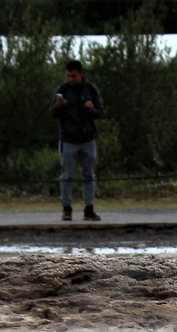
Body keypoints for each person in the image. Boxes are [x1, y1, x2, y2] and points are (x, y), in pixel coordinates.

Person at [51, 60, 103, 222]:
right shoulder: (63, 90)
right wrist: (58, 106)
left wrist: (92, 109)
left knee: (88, 174)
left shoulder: (91, 89)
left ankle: (89, 208)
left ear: (81, 74)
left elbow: (100, 112)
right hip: (68, 139)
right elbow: (52, 113)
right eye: (68, 76)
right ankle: (66, 209)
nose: (70, 79)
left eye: (73, 76)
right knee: (67, 175)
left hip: (87, 138)